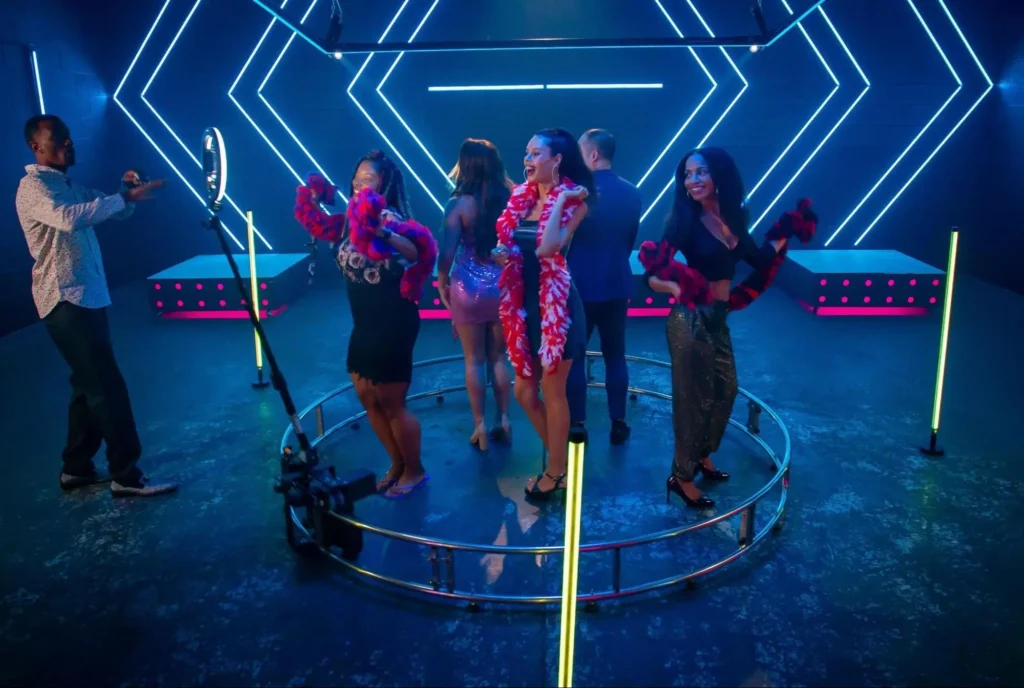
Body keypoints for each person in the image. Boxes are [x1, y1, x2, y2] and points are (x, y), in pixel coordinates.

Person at [641, 147, 815, 508]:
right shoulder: (682, 219)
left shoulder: (733, 217)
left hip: (719, 318)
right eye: (688, 175)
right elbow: (651, 275)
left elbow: (758, 258)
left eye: (700, 172)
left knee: (726, 391)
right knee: (691, 400)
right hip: (689, 320)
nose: (693, 180)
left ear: (719, 175)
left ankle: (703, 452)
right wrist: (675, 287)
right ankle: (681, 475)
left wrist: (788, 228)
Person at [15, 114, 177, 497]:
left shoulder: (66, 185)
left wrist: (123, 191)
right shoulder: (34, 187)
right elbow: (68, 220)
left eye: (69, 137)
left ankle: (76, 469)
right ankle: (126, 475)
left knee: (87, 386)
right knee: (106, 387)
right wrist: (120, 197)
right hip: (64, 298)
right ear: (36, 147)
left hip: (84, 295)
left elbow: (113, 210)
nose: (68, 143)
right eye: (58, 138)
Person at [293, 151, 437, 498]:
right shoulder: (346, 220)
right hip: (363, 319)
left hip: (393, 319)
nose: (359, 184)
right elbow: (318, 224)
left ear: (384, 185)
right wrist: (311, 198)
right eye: (357, 178)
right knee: (366, 397)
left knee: (391, 400)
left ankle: (415, 471)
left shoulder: (391, 218)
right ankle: (396, 463)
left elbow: (417, 251)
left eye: (368, 179)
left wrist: (382, 231)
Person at [490, 128, 595, 500]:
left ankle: (554, 471)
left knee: (552, 391)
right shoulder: (520, 199)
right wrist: (503, 255)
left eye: (536, 153)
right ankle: (560, 458)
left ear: (557, 160)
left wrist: (561, 195)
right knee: (522, 390)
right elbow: (506, 245)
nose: (528, 160)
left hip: (558, 310)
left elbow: (549, 248)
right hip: (525, 308)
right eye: (527, 153)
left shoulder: (575, 203)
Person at [565, 128, 642, 445]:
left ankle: (577, 424)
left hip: (580, 285)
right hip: (617, 282)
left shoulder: (575, 194)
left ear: (593, 154)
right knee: (616, 355)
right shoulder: (633, 193)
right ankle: (618, 422)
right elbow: (628, 242)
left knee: (576, 357)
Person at [436, 138, 514, 450]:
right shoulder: (511, 197)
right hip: (503, 284)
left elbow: (446, 253)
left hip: (467, 286)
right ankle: (505, 419)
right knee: (499, 357)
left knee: (473, 360)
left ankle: (480, 425)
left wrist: (442, 283)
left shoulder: (458, 205)